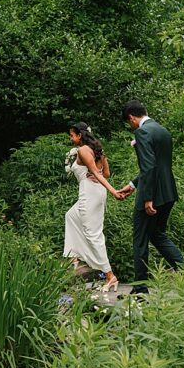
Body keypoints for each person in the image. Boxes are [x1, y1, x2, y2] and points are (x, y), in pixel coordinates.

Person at [116, 100, 184, 294]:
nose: (131, 127)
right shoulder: (162, 130)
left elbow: (149, 167)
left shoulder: (142, 132)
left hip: (153, 195)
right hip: (168, 192)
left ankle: (140, 289)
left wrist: (147, 198)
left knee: (140, 239)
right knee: (157, 233)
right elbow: (158, 166)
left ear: (131, 117)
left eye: (129, 123)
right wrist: (132, 185)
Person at [63, 122, 122, 292]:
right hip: (95, 191)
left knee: (93, 233)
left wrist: (114, 192)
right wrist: (96, 171)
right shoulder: (97, 150)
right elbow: (107, 173)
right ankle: (73, 256)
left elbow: (97, 173)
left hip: (89, 192)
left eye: (72, 135)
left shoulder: (83, 150)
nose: (71, 138)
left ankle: (110, 276)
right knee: (71, 216)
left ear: (80, 135)